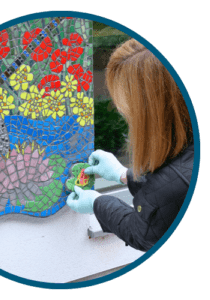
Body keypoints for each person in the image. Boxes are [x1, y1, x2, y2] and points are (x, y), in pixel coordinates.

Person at [66, 38, 194, 252]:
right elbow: (171, 188)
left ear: (151, 110)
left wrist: (98, 203)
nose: (120, 109)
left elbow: (145, 233)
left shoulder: (174, 183)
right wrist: (124, 175)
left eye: (126, 103)